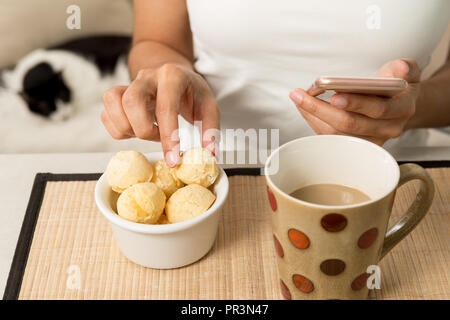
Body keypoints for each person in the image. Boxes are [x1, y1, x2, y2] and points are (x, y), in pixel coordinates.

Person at [101, 0, 450, 167]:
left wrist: (411, 110)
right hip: (215, 171)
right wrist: (168, 72)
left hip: (396, 174)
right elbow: (158, 41)